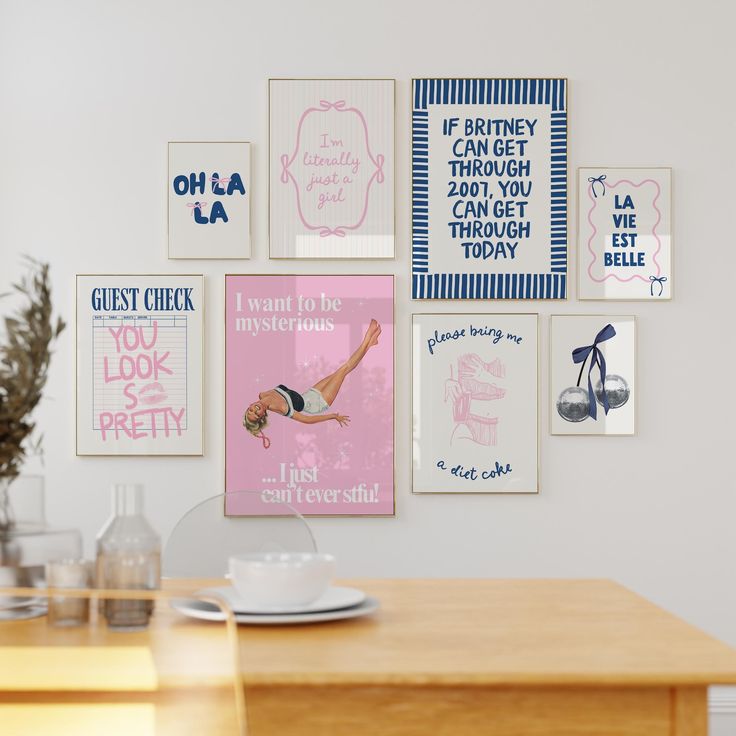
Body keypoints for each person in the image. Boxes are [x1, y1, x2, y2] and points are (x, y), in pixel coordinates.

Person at [243, 319, 381, 449]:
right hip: (318, 403)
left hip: (309, 395)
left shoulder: (262, 394)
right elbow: (307, 420)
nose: (255, 409)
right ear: (262, 416)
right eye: (257, 413)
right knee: (344, 369)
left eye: (251, 410)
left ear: (249, 406)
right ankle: (367, 339)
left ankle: (370, 343)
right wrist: (333, 416)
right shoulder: (279, 407)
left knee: (342, 370)